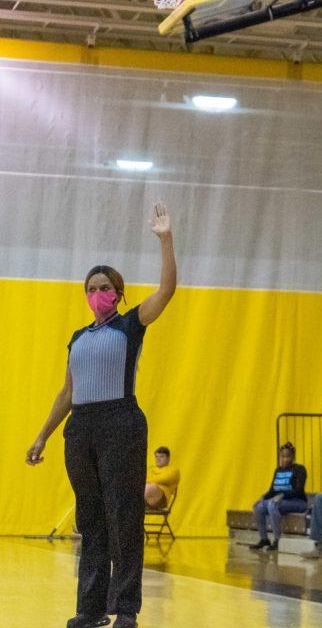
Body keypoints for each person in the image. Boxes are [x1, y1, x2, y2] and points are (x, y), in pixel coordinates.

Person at [25, 202, 176, 628]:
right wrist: (42, 436)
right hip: (81, 430)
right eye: (91, 287)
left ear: (118, 292)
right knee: (90, 519)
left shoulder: (131, 325)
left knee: (123, 515)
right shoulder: (78, 338)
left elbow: (166, 291)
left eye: (105, 286)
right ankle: (90, 609)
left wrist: (165, 240)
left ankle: (124, 608)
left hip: (121, 423)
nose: (97, 293)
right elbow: (67, 393)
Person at [249, 442, 309, 551]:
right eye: (282, 456)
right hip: (281, 501)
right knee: (258, 507)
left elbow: (299, 490)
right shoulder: (278, 470)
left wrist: (282, 495)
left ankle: (277, 540)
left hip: (298, 502)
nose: (285, 459)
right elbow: (272, 490)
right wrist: (263, 498)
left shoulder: (300, 469)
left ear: (293, 456)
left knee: (272, 504)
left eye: (288, 456)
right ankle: (264, 539)